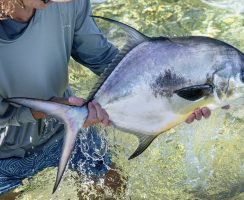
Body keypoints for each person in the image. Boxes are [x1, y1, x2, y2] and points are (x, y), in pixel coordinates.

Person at [0, 0, 214, 196]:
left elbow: (101, 57)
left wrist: (172, 98)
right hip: (5, 157)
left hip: (63, 131)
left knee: (116, 190)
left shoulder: (69, 3)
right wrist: (50, 107)